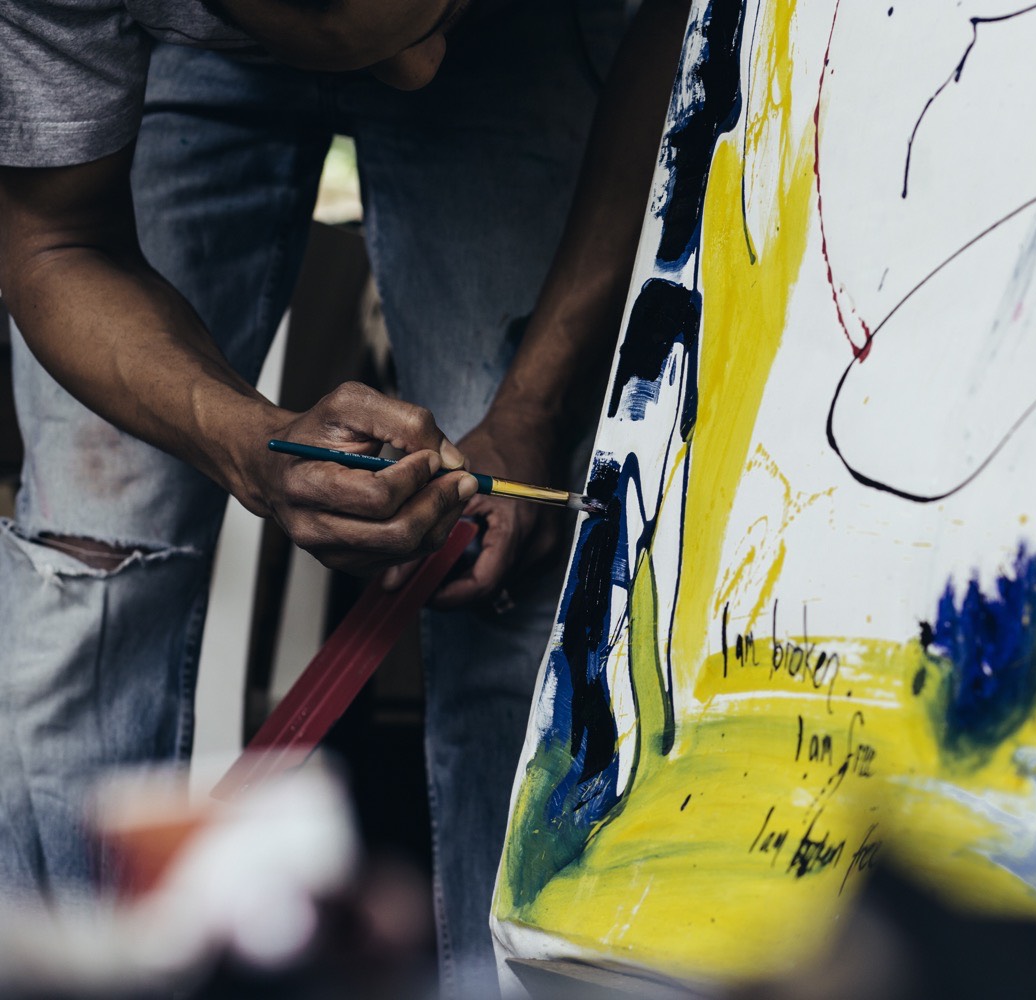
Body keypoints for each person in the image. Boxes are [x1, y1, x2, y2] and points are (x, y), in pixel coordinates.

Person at [0, 0, 689, 992]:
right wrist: (251, 450)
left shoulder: (456, 49)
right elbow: (53, 242)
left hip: (519, 37)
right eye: (398, 39)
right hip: (167, 55)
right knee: (90, 570)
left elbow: (678, 49)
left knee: (527, 595)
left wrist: (534, 406)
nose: (417, 71)